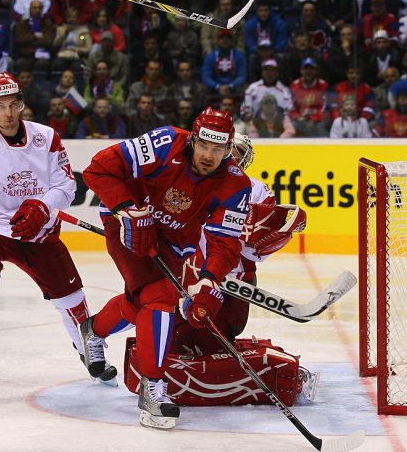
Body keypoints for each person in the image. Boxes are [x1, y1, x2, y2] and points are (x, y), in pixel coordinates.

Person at [0, 72, 115, 397]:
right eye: (0, 106)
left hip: (36, 230)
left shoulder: (47, 137)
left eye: (13, 105)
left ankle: (89, 352)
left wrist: (43, 206)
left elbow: (66, 185)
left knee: (73, 298)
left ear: (22, 103)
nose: (8, 113)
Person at [79, 107, 252, 429]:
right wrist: (127, 209)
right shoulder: (164, 142)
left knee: (140, 304)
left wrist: (208, 279)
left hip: (176, 242)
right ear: (193, 140)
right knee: (161, 298)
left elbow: (225, 243)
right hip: (128, 224)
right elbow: (97, 171)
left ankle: (95, 330)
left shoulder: (235, 184)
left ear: (229, 150)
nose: (208, 155)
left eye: (218, 149)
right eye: (204, 145)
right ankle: (153, 388)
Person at [124, 134, 317, 407]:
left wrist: (279, 229)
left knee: (218, 338)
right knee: (180, 336)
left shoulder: (258, 191)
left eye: (238, 151)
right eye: (230, 151)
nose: (234, 157)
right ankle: (146, 367)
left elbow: (256, 251)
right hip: (189, 279)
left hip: (234, 282)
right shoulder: (189, 182)